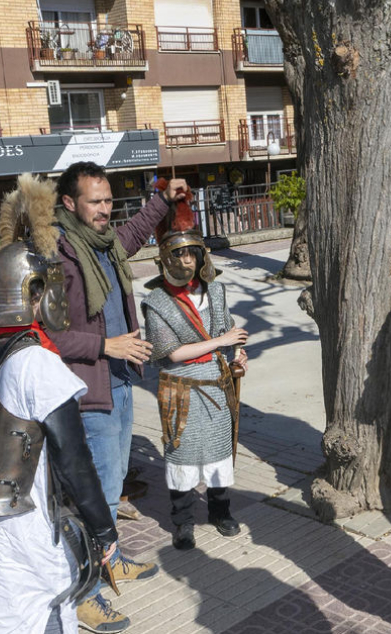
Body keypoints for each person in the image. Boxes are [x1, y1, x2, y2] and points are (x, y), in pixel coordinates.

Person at [0, 175, 127, 634]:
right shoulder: (35, 363)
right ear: (35, 290)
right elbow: (74, 461)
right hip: (17, 532)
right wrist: (104, 529)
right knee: (35, 617)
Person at [48, 162, 182, 576]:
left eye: (108, 200)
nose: (105, 209)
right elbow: (46, 336)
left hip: (121, 381)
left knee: (115, 479)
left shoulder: (104, 244)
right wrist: (107, 345)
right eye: (95, 202)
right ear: (69, 202)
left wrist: (164, 199)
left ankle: (111, 561)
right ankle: (91, 583)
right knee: (101, 489)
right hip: (90, 390)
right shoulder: (58, 255)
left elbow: (135, 232)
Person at [141, 187, 248, 551]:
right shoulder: (157, 301)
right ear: (166, 257)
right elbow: (171, 353)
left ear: (202, 254)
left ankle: (220, 512)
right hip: (181, 387)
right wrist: (221, 342)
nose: (186, 260)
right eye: (178, 253)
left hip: (216, 383)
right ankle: (183, 522)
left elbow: (227, 331)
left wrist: (237, 354)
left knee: (219, 455)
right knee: (182, 458)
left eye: (191, 252)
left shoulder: (215, 291)